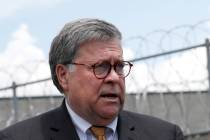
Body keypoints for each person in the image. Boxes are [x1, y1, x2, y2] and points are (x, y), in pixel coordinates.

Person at [0, 18, 184, 140]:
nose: (114, 77)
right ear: (63, 76)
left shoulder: (165, 135)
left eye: (119, 66)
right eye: (100, 67)